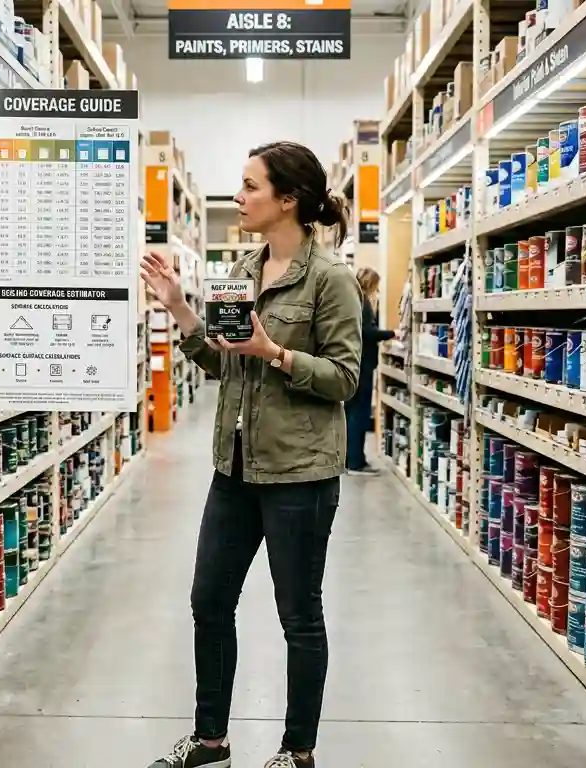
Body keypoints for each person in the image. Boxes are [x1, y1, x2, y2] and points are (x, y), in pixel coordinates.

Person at [140, 141, 362, 768]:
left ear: (287, 200)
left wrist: (276, 353)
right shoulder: (241, 269)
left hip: (299, 474)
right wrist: (180, 308)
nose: (237, 198)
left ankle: (298, 751)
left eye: (249, 186)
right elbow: (221, 363)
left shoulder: (331, 279)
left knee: (299, 616)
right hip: (233, 467)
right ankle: (211, 741)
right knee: (208, 602)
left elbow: (346, 379)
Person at [345, 267, 394, 475]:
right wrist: (391, 333)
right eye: (376, 285)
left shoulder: (350, 300)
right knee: (360, 413)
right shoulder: (362, 302)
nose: (377, 290)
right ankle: (356, 461)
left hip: (353, 362)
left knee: (351, 412)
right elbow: (366, 332)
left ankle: (349, 458)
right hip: (362, 365)